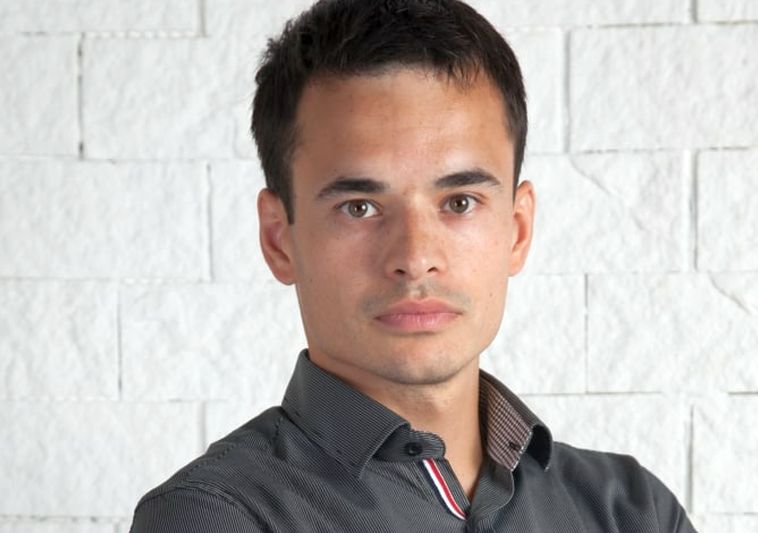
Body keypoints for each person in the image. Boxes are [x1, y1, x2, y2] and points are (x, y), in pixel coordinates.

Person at [130, 1, 697, 531]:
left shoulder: (632, 511)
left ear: (518, 230)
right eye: (360, 207)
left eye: (460, 203)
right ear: (279, 239)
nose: (415, 257)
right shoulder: (212, 516)